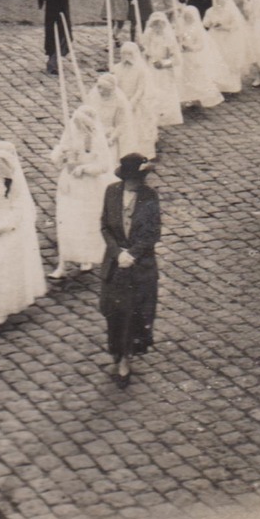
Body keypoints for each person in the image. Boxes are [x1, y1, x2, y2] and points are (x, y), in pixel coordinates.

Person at [100, 153, 160, 388]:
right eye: (134, 179)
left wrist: (132, 255)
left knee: (132, 313)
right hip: (115, 265)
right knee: (114, 312)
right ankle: (118, 351)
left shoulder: (150, 197)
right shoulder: (111, 192)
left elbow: (152, 234)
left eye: (141, 178)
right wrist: (118, 254)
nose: (138, 183)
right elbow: (105, 226)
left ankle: (126, 358)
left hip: (139, 267)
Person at [0, 141, 46, 325]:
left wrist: (1, 227)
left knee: (1, 269)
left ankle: (3, 308)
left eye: (1, 167)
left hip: (8, 229)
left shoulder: (15, 185)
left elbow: (17, 212)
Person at [49, 105, 112, 278]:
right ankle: (62, 264)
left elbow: (104, 165)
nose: (76, 127)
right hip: (70, 185)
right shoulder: (70, 135)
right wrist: (59, 155)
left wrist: (85, 168)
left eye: (80, 124)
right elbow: (58, 155)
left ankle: (86, 258)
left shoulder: (97, 140)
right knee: (66, 220)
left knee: (87, 222)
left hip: (89, 187)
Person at [112, 42, 159, 159]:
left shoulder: (140, 70)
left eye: (129, 53)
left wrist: (132, 102)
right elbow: (115, 86)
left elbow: (140, 89)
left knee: (137, 127)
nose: (126, 56)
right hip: (121, 101)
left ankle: (140, 152)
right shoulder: (116, 68)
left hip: (135, 103)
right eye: (123, 53)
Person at [203, 0, 251, 95]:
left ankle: (232, 86)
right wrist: (211, 23)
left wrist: (224, 26)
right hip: (214, 37)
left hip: (228, 38)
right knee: (216, 59)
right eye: (218, 0)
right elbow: (205, 23)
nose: (219, 2)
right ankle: (218, 84)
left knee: (229, 60)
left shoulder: (231, 11)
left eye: (222, 0)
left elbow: (235, 25)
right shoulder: (211, 10)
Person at [175, 5, 224, 109]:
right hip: (184, 57)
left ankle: (201, 97)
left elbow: (200, 45)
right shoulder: (181, 28)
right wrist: (180, 43)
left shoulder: (197, 29)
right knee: (186, 77)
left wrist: (191, 47)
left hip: (194, 56)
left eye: (189, 16)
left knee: (197, 77)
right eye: (185, 16)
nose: (187, 18)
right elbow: (178, 41)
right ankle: (190, 97)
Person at [140, 12, 184, 127]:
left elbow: (176, 59)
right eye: (154, 25)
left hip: (163, 71)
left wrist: (164, 63)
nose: (157, 28)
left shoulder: (168, 39)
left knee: (164, 92)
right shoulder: (148, 37)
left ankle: (164, 115)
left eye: (159, 25)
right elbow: (145, 54)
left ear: (164, 25)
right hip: (150, 69)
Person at [87, 73, 137, 167]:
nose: (99, 91)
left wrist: (111, 139)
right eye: (98, 87)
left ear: (110, 90)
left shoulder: (119, 103)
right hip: (93, 133)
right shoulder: (94, 97)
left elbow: (120, 125)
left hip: (108, 136)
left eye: (103, 89)